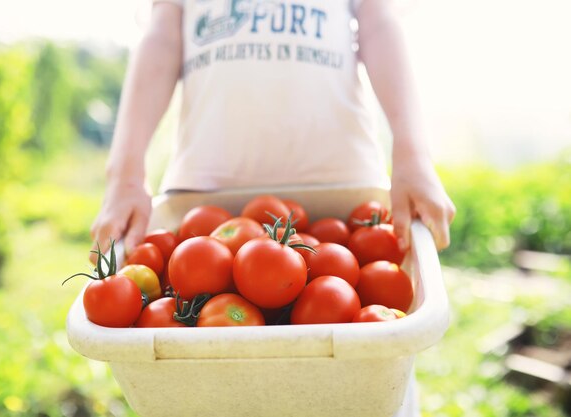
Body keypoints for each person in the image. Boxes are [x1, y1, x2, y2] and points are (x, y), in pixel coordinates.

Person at [90, 2, 456, 414]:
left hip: (342, 183)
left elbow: (379, 22)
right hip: (205, 191)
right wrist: (124, 173)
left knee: (362, 384)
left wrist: (413, 155)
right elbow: (162, 35)